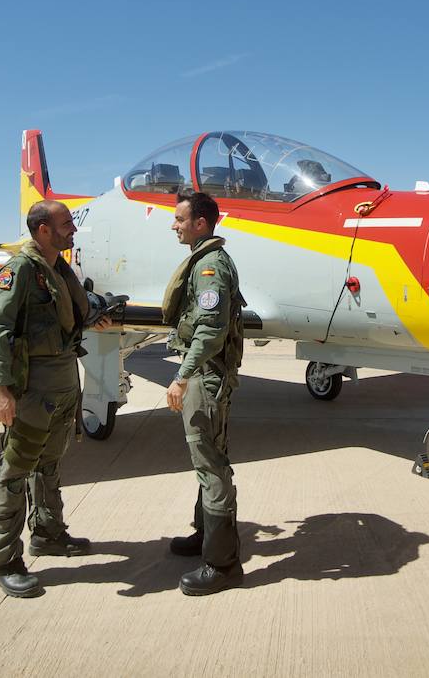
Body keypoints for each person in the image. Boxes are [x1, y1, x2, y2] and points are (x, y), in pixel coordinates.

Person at [0, 200, 111, 598]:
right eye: (66, 224)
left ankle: (49, 534)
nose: (73, 229)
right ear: (42, 230)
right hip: (33, 391)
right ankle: (3, 561)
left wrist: (95, 313)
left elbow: (67, 314)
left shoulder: (58, 269)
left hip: (63, 385)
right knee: (14, 471)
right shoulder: (20, 270)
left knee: (49, 465)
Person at [164, 190, 246, 596]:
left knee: (211, 465)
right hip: (207, 375)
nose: (174, 225)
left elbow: (210, 331)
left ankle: (222, 564)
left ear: (200, 223)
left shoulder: (210, 266)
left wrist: (182, 376)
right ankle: (204, 536)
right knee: (206, 460)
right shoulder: (206, 259)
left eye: (180, 219)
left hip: (205, 378)